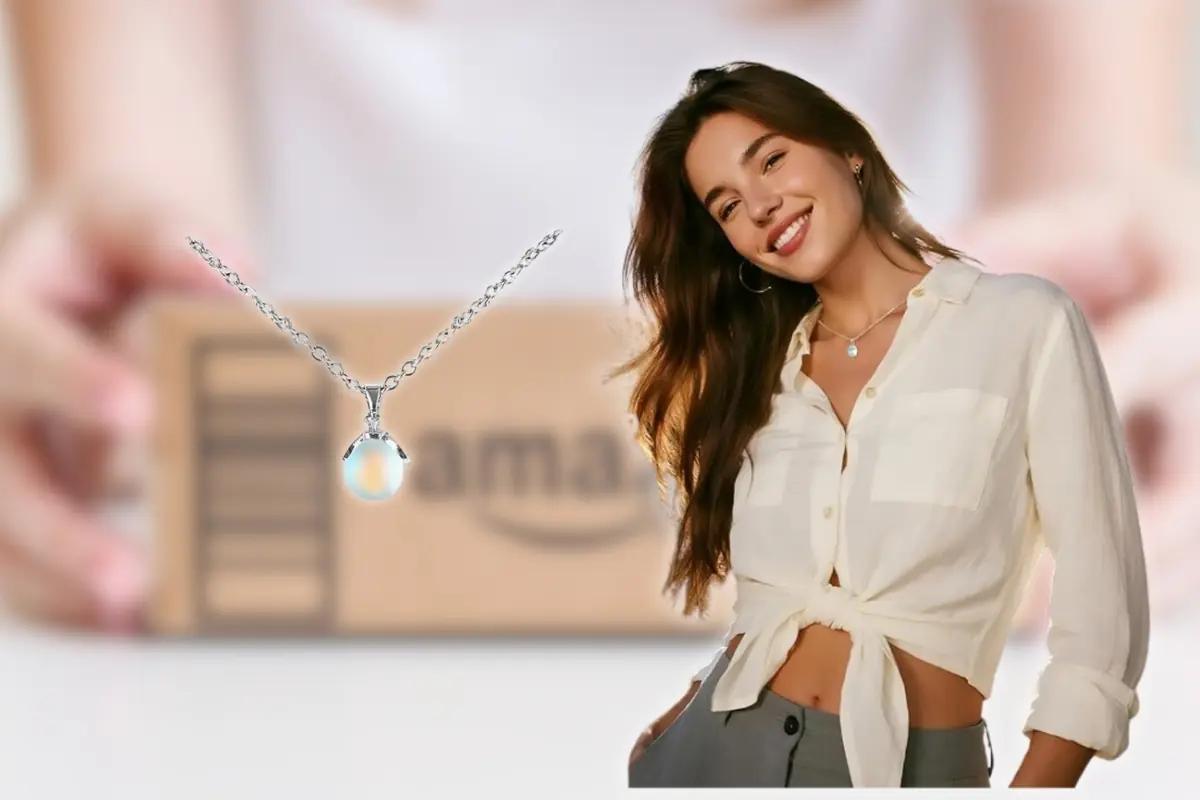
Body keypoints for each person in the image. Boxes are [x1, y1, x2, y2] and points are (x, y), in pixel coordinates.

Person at [615, 62, 1150, 789]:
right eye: (727, 206)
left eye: (772, 159)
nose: (762, 206)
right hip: (716, 755)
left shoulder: (1022, 323)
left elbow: (1103, 619)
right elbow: (770, 599)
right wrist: (688, 708)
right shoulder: (764, 373)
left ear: (847, 149)